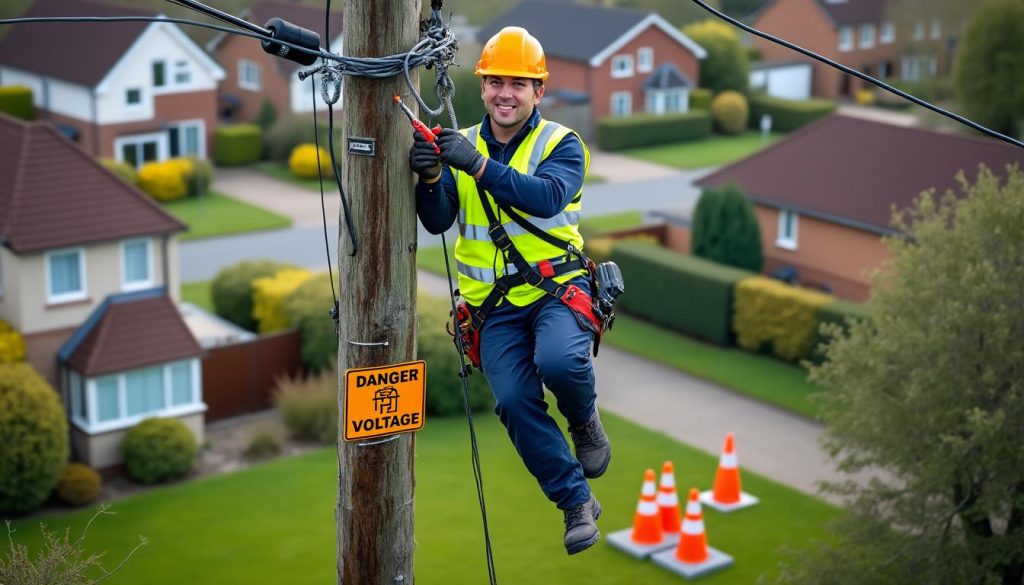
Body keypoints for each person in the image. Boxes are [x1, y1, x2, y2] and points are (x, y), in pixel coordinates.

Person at [409, 26, 611, 555]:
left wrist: (474, 165)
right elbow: (437, 222)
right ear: (482, 88)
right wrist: (431, 178)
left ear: (538, 92)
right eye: (495, 81)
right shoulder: (464, 145)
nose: (504, 93)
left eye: (518, 84)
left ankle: (583, 418)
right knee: (516, 402)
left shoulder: (562, 145)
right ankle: (575, 502)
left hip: (553, 289)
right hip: (492, 309)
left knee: (562, 364)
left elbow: (545, 198)